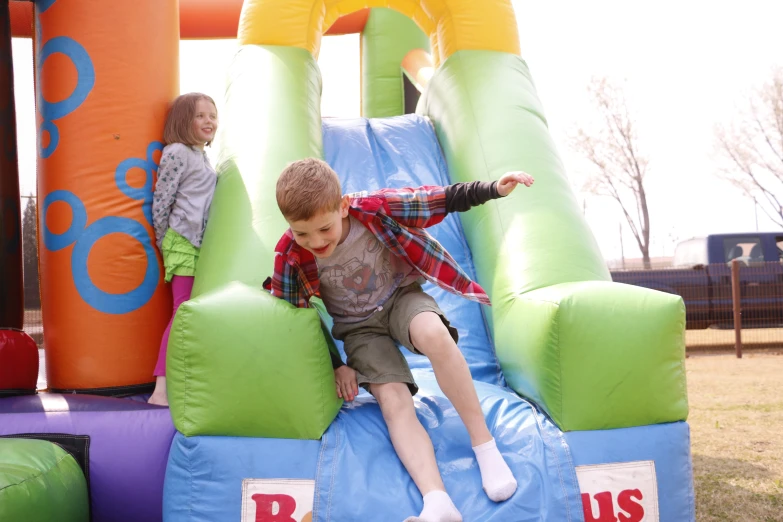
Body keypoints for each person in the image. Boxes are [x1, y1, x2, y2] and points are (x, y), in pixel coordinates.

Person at [266, 158, 535, 522]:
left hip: (400, 298)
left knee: (435, 334)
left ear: (342, 206)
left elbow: (433, 199)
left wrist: (491, 189)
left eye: (324, 229)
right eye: (302, 234)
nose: (316, 242)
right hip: (358, 330)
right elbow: (297, 318)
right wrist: (336, 364)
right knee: (392, 400)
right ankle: (438, 501)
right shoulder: (289, 255)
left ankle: (484, 445)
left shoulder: (373, 208)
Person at [147, 92, 218, 406]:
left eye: (212, 115)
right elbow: (162, 200)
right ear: (183, 121)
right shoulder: (177, 152)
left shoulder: (202, 157)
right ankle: (161, 389)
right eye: (200, 115)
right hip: (182, 241)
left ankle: (189, 383)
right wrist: (165, 241)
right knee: (182, 312)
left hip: (199, 244)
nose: (208, 121)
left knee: (193, 312)